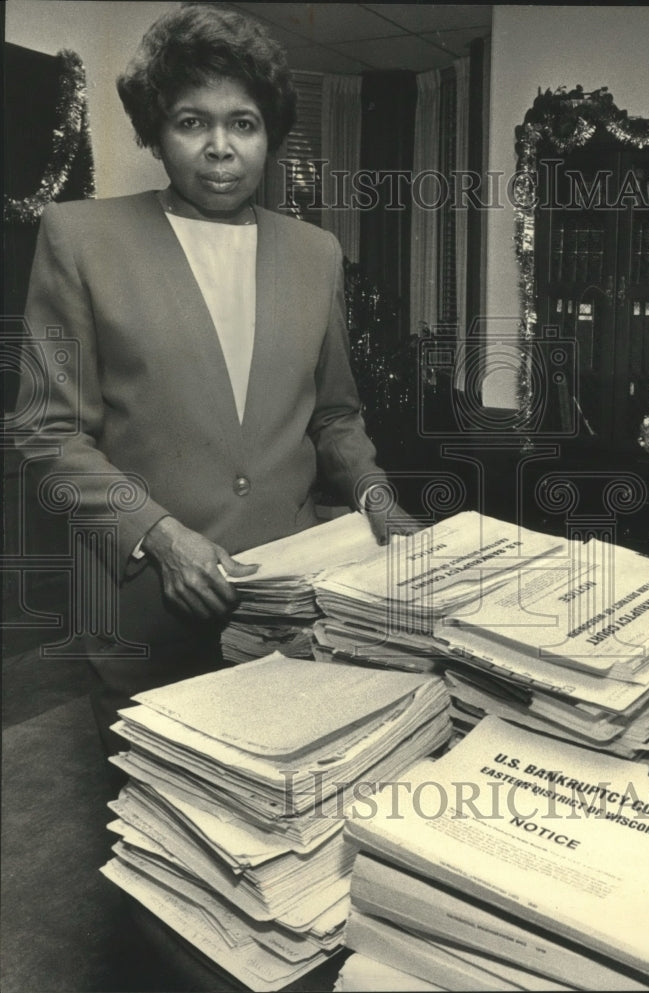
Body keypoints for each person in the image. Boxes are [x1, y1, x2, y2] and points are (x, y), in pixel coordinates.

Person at [17, 3, 413, 753]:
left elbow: (334, 417)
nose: (220, 149)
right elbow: (49, 433)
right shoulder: (80, 238)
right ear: (155, 134)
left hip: (289, 607)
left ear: (270, 135)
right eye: (192, 122)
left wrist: (377, 498)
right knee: (163, 843)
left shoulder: (315, 252)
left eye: (244, 123)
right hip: (145, 610)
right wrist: (160, 537)